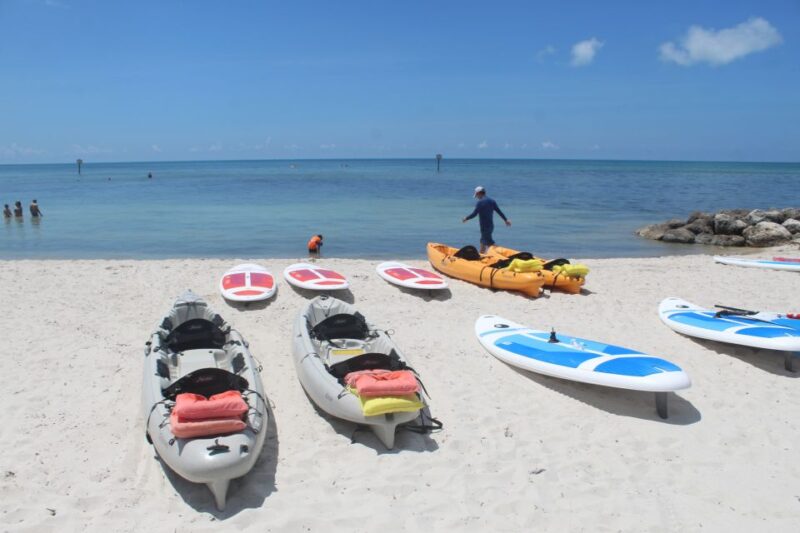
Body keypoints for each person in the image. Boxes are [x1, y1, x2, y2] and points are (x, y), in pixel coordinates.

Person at [461, 186, 511, 253]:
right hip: (490, 226)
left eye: (476, 195)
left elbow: (474, 214)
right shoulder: (492, 201)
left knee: (490, 243)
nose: (477, 197)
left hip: (485, 226)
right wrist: (506, 220)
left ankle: (502, 253)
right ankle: (481, 257)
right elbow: (499, 211)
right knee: (483, 242)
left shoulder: (480, 202)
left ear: (479, 193)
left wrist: (466, 218)